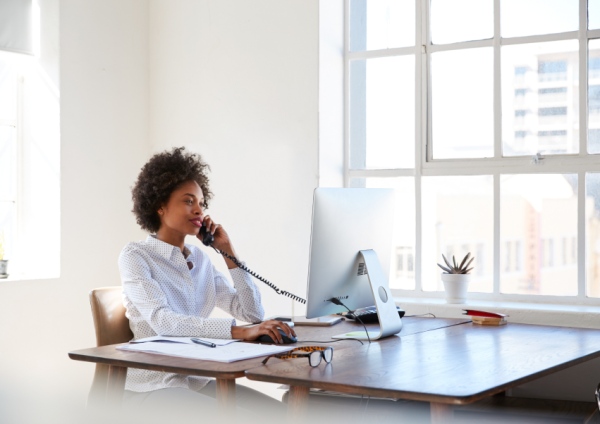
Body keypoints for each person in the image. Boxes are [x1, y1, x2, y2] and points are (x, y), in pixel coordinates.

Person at [118, 147, 295, 421]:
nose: (199, 210)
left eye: (201, 202)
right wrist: (239, 333)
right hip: (151, 387)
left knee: (281, 414)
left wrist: (229, 253)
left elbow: (252, 313)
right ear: (160, 205)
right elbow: (165, 322)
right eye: (189, 201)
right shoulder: (136, 256)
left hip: (195, 381)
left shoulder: (199, 258)